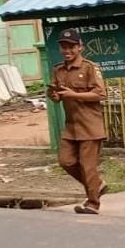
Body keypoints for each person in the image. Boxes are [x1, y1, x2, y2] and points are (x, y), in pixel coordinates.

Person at [48, 28, 107, 214]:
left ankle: (92, 204)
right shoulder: (58, 70)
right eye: (64, 47)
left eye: (71, 47)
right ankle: (97, 185)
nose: (67, 51)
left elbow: (100, 93)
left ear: (80, 47)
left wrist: (74, 95)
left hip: (90, 126)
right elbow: (55, 94)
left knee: (87, 166)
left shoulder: (90, 67)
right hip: (71, 126)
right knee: (65, 161)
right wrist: (54, 95)